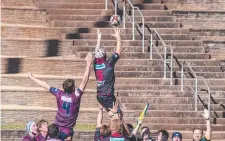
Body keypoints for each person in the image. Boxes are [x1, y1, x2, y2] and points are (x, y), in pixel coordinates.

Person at [28, 52, 92, 141]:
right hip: (67, 131)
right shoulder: (76, 95)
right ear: (73, 88)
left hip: (55, 127)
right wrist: (88, 64)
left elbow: (45, 85)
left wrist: (32, 77)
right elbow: (84, 81)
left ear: (63, 88)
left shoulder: (59, 93)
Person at [94, 28, 122, 118]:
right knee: (118, 115)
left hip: (99, 96)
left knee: (111, 114)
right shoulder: (108, 64)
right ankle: (116, 131)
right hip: (107, 96)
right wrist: (118, 37)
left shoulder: (95, 64)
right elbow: (118, 51)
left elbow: (96, 52)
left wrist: (98, 38)